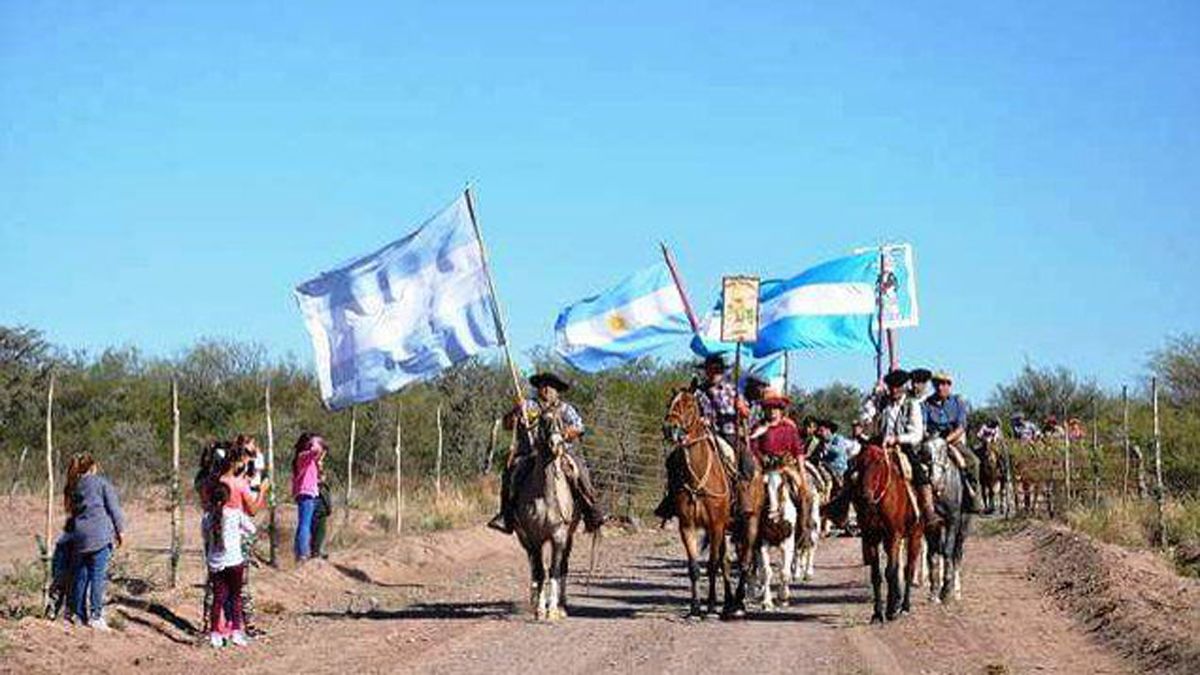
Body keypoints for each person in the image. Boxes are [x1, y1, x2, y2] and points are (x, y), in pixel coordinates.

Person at [488, 373, 605, 534]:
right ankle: (506, 515)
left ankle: (592, 511)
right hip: (530, 453)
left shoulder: (565, 409)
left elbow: (579, 427)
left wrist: (564, 433)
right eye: (543, 385)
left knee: (579, 471)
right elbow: (507, 425)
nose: (546, 389)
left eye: (550, 386)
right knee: (511, 471)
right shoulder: (528, 405)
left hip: (560, 452)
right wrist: (515, 413)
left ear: (557, 391)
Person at [64, 452, 124, 630]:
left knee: (81, 576)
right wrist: (120, 531)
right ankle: (96, 616)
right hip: (99, 536)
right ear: (93, 466)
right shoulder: (101, 483)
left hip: (79, 536)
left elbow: (72, 513)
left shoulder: (73, 485)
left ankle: (78, 614)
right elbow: (114, 509)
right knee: (97, 577)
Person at [202, 482, 255, 648]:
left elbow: (205, 537)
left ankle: (215, 633)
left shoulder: (207, 517)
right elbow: (251, 529)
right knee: (235, 597)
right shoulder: (235, 514)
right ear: (227, 498)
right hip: (234, 560)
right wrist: (238, 534)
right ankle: (237, 632)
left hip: (216, 562)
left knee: (218, 598)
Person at [922, 371, 981, 513]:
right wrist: (931, 439)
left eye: (944, 384)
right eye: (937, 384)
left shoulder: (957, 402)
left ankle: (973, 497)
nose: (941, 387)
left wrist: (946, 440)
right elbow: (923, 426)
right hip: (932, 441)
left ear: (949, 385)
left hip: (952, 439)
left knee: (974, 462)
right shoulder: (926, 404)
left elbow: (961, 426)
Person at [291, 433, 326, 561]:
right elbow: (316, 451)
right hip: (306, 493)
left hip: (307, 492)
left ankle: (299, 552)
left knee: (304, 523)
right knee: (305, 524)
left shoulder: (306, 459)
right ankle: (303, 554)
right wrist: (316, 442)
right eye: (310, 443)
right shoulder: (303, 456)